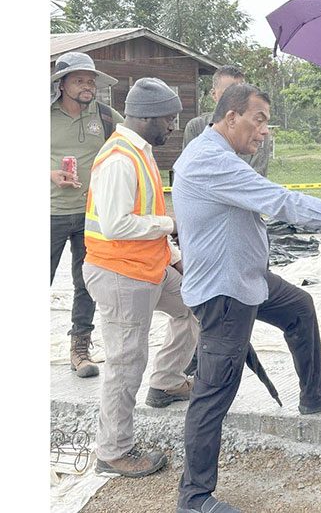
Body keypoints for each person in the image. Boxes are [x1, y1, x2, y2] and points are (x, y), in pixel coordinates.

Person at [173, 83, 321, 513]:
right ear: (231, 118)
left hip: (246, 277)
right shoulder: (213, 161)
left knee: (299, 307)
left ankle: (314, 394)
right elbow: (283, 202)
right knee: (214, 390)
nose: (264, 130)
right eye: (259, 119)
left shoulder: (215, 152)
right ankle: (194, 497)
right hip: (225, 293)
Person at [83, 78, 198, 477]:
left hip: (149, 266)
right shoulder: (119, 159)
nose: (172, 126)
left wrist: (177, 258)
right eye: (169, 118)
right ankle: (113, 451)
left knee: (195, 306)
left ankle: (166, 381)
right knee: (126, 362)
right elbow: (116, 225)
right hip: (119, 273)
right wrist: (171, 224)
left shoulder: (141, 151)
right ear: (148, 117)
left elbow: (141, 214)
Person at [50, 52, 123, 378]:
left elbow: (132, 142)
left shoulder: (106, 117)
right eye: (79, 80)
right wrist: (49, 174)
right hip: (48, 213)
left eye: (91, 81)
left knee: (87, 283)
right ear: (61, 84)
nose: (87, 86)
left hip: (90, 215)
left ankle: (80, 349)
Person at [183, 65, 270, 178]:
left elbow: (257, 177)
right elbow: (191, 170)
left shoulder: (258, 131)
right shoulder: (196, 127)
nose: (234, 100)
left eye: (240, 94)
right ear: (214, 95)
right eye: (228, 93)